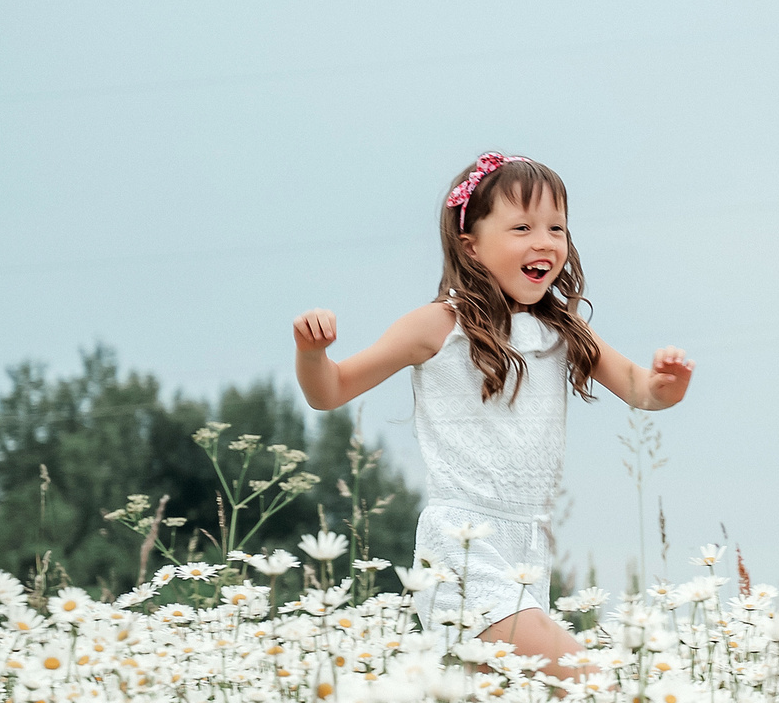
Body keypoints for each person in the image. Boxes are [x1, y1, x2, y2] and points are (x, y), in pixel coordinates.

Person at [290, 152, 691, 675]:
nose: (544, 241)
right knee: (591, 683)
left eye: (556, 228)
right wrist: (311, 353)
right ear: (470, 244)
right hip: (462, 543)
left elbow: (641, 391)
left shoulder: (564, 332)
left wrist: (668, 384)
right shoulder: (438, 326)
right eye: (522, 227)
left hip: (529, 544)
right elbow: (330, 391)